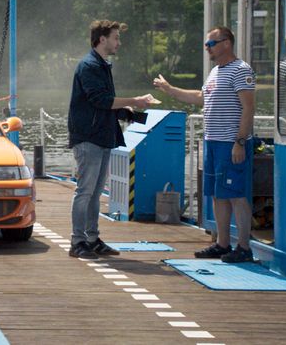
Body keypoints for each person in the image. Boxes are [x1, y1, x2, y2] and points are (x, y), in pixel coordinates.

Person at [154, 26, 255, 263]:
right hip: (212, 142)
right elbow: (200, 98)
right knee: (217, 195)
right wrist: (169, 89)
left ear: (226, 43)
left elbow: (249, 108)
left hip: (230, 143)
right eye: (207, 44)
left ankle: (244, 247)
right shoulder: (215, 72)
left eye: (211, 43)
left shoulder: (241, 70)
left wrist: (239, 142)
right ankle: (222, 243)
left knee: (236, 194)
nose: (207, 48)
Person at [68, 20, 155, 259]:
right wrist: (134, 100)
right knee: (85, 191)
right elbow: (100, 101)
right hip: (88, 138)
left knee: (95, 193)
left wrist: (133, 115)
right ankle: (77, 242)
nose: (119, 42)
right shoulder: (89, 66)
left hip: (102, 136)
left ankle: (92, 238)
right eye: (116, 37)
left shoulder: (102, 65)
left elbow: (106, 102)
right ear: (102, 39)